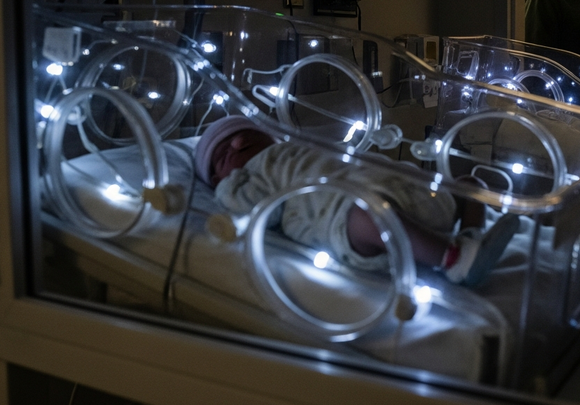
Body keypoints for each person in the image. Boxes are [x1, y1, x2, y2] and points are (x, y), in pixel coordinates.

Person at [194, 115, 520, 287]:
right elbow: (266, 210)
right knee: (368, 214)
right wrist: (231, 184)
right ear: (217, 179)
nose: (237, 144)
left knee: (468, 184)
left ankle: (471, 236)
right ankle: (454, 261)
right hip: (338, 216)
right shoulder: (243, 182)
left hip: (400, 189)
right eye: (224, 155)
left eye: (246, 137)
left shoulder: (294, 147)